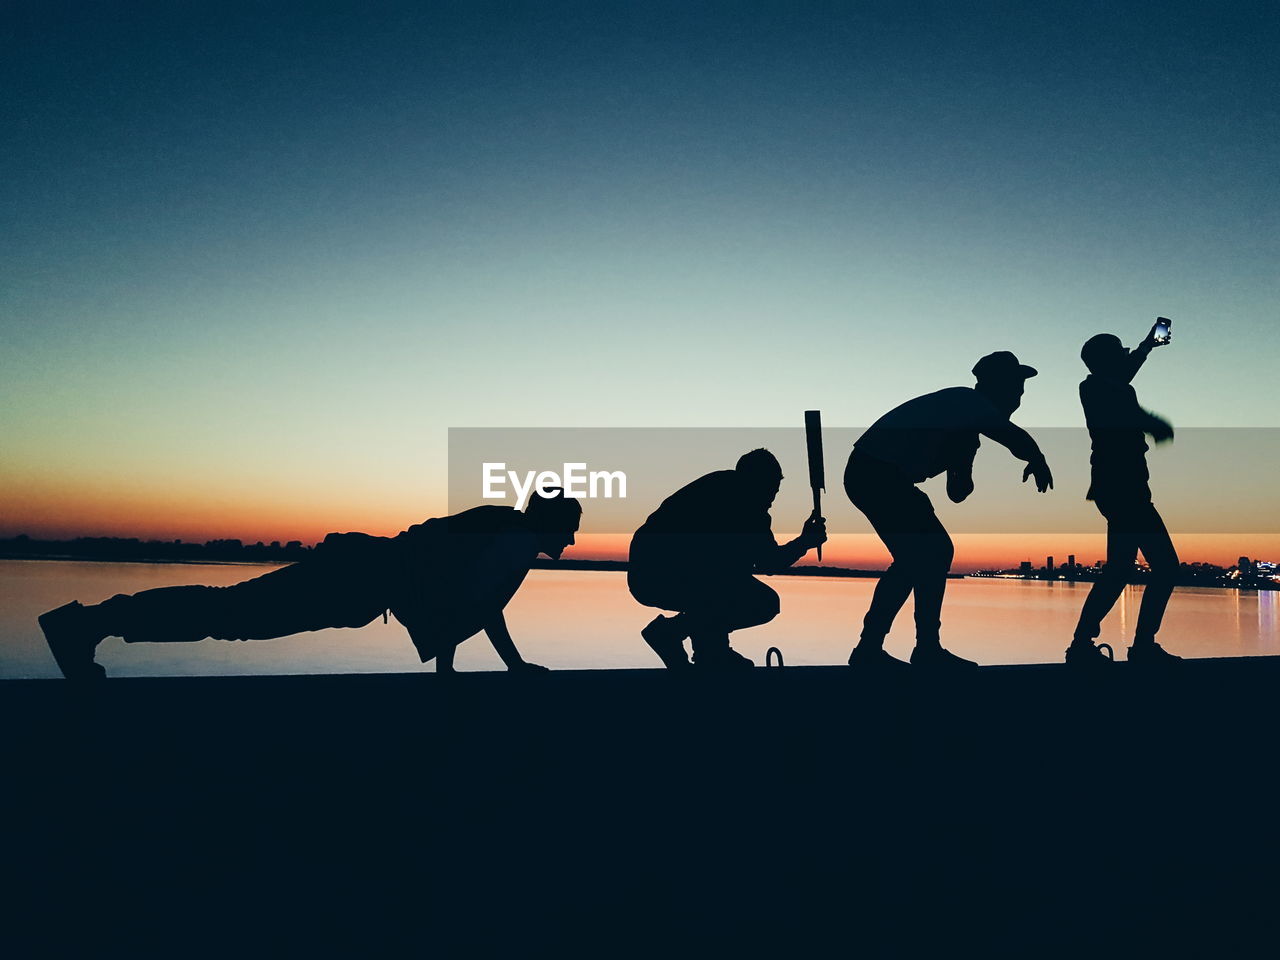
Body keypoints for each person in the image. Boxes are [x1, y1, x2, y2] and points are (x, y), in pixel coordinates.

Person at [38, 490, 582, 680]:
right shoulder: (512, 540)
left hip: (359, 573)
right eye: (571, 529)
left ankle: (93, 622)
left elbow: (462, 594)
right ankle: (88, 623)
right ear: (552, 522)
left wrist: (449, 667)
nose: (573, 541)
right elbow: (477, 604)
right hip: (358, 580)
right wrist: (507, 668)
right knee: (230, 616)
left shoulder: (501, 526)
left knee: (229, 614)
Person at [845, 352, 1053, 671]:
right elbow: (1010, 435)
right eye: (1014, 389)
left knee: (921, 556)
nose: (1018, 398)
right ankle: (915, 649)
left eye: (1021, 392)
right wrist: (1035, 456)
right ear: (993, 386)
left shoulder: (967, 429)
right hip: (876, 472)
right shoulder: (966, 400)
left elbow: (957, 494)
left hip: (883, 477)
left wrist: (961, 463)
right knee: (933, 551)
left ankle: (879, 648)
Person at [628, 449, 827, 670]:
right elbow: (766, 563)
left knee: (726, 580)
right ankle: (684, 639)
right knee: (762, 602)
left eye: (775, 492)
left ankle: (703, 648)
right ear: (755, 482)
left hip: (648, 574)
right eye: (770, 490)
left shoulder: (716, 486)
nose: (771, 499)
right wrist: (804, 542)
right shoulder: (747, 507)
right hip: (664, 575)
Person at [1067, 324, 1180, 666]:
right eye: (1119, 352)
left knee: (1119, 569)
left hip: (1121, 488)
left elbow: (1124, 374)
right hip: (1123, 489)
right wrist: (1153, 422)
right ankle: (1141, 646)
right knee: (1165, 566)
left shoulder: (1106, 383)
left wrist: (1147, 346)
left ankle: (1083, 643)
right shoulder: (1097, 388)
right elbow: (1124, 408)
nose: (1125, 356)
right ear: (1105, 361)